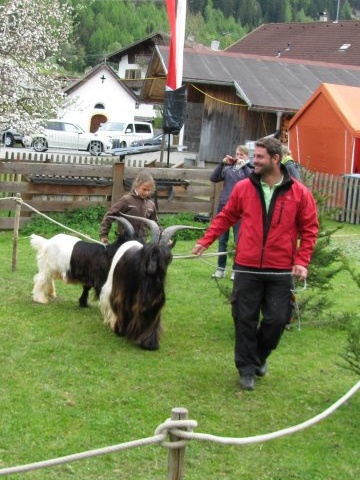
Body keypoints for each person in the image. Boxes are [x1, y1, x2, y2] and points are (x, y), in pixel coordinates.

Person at [192, 137, 318, 391]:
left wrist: (302, 261)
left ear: (275, 159)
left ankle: (259, 357)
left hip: (280, 269)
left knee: (277, 320)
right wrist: (206, 241)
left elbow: (309, 229)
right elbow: (226, 216)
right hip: (247, 267)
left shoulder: (299, 193)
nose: (254, 161)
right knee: (244, 319)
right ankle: (246, 369)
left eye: (259, 157)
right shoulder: (243, 188)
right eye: (253, 156)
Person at [210, 145, 253, 280]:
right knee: (222, 240)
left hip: (241, 210)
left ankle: (235, 270)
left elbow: (252, 180)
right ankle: (220, 269)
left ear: (247, 156)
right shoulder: (228, 169)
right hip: (224, 207)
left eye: (241, 155)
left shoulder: (250, 169)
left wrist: (244, 166)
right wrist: (222, 164)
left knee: (237, 241)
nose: (238, 157)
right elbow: (214, 178)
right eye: (237, 154)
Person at [100, 171, 159, 244]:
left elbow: (155, 224)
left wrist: (164, 237)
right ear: (137, 186)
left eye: (149, 190)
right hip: (125, 242)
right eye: (144, 189)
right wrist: (104, 235)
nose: (146, 193)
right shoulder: (126, 200)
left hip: (142, 243)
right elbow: (109, 216)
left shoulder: (151, 205)